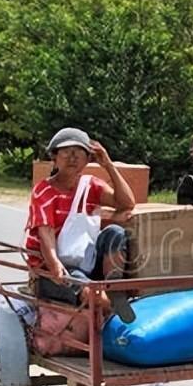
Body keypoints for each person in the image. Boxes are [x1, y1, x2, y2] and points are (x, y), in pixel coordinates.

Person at [24, 127, 136, 322]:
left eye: (79, 153)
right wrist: (55, 265)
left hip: (86, 259)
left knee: (115, 232)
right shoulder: (43, 191)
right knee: (89, 293)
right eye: (66, 152)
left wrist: (108, 165)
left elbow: (127, 203)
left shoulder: (90, 185)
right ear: (55, 157)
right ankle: (111, 308)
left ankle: (113, 287)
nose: (72, 158)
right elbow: (46, 234)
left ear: (87, 159)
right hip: (58, 268)